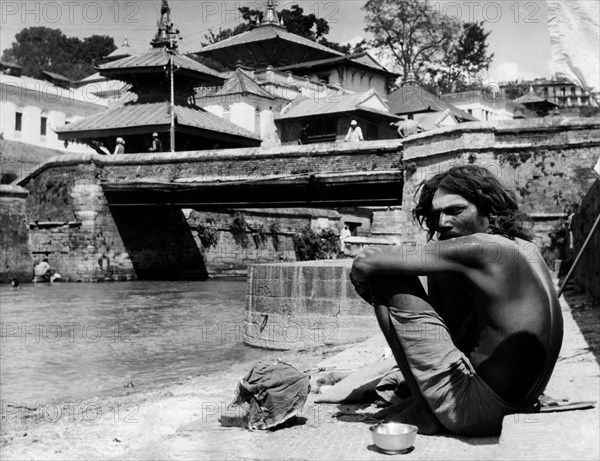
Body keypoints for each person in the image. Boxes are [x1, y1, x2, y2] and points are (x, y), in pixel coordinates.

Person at [350, 165, 563, 436]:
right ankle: (429, 399)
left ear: (488, 210)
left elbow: (367, 262)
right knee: (442, 273)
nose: (442, 223)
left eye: (455, 210)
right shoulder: (528, 249)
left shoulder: (481, 248)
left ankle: (424, 410)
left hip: (477, 412)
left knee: (384, 275)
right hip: (522, 405)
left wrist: (367, 288)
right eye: (437, 214)